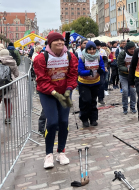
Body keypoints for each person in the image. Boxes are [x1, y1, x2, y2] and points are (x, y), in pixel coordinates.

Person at [33, 32, 78, 169]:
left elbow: (72, 74)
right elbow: (42, 79)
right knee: (52, 122)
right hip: (47, 93)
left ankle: (61, 152)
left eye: (62, 40)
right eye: (56, 40)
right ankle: (48, 155)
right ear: (50, 43)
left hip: (65, 92)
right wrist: (53, 92)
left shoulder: (70, 56)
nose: (60, 42)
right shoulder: (41, 58)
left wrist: (69, 89)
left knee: (64, 121)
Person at [77, 41, 105, 127]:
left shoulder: (99, 57)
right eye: (89, 49)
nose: (92, 51)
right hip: (84, 83)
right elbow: (80, 71)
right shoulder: (82, 58)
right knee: (86, 100)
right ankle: (84, 118)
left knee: (93, 101)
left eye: (93, 49)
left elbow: (102, 67)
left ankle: (93, 119)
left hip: (95, 82)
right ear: (86, 50)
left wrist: (101, 70)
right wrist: (88, 72)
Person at [0, 49, 19, 124]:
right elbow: (17, 74)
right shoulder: (13, 62)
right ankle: (8, 118)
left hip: (0, 83)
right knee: (8, 101)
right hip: (9, 83)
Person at [118, 42, 137, 115]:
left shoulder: (136, 54)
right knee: (125, 90)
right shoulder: (122, 54)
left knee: (133, 91)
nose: (132, 50)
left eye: (133, 49)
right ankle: (125, 107)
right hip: (123, 75)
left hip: (133, 76)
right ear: (127, 49)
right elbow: (120, 65)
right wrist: (127, 69)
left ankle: (133, 107)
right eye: (130, 49)